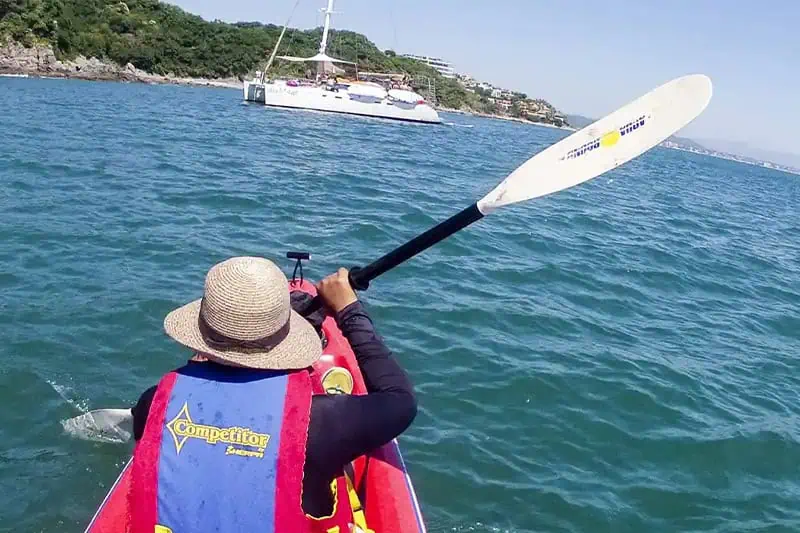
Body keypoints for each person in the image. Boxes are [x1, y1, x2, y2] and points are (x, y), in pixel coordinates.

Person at [128, 256, 417, 532]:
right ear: (287, 339)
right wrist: (349, 310)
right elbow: (400, 400)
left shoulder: (152, 403)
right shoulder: (318, 424)